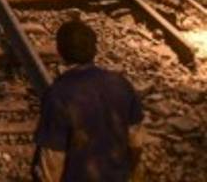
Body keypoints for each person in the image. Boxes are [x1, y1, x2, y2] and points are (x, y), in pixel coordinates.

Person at [32, 19, 144, 182]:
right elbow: (135, 142)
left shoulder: (58, 94)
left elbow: (53, 160)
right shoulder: (121, 84)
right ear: (94, 49)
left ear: (60, 51)